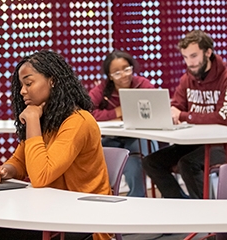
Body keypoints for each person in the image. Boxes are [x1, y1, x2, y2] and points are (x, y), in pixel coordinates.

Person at [0, 50, 112, 240]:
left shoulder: (78, 121)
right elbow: (20, 161)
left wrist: (32, 120)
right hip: (52, 210)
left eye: (28, 83)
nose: (22, 91)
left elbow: (41, 176)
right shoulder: (49, 119)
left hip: (84, 218)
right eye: (21, 85)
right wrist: (4, 171)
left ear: (52, 80)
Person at [142, 30, 227, 199]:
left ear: (208, 52)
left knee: (187, 164)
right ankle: (181, 206)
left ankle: (204, 214)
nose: (190, 62)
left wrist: (184, 116)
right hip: (194, 141)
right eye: (186, 57)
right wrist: (173, 113)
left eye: (194, 56)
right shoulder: (187, 79)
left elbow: (222, 117)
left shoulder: (225, 77)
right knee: (151, 162)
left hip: (221, 143)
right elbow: (176, 106)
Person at [89, 50, 157, 197]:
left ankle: (136, 204)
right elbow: (87, 112)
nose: (124, 75)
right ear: (110, 76)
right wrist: (116, 112)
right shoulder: (102, 89)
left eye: (126, 69)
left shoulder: (142, 84)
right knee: (96, 162)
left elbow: (156, 109)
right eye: (117, 72)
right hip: (111, 137)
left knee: (135, 167)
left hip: (138, 137)